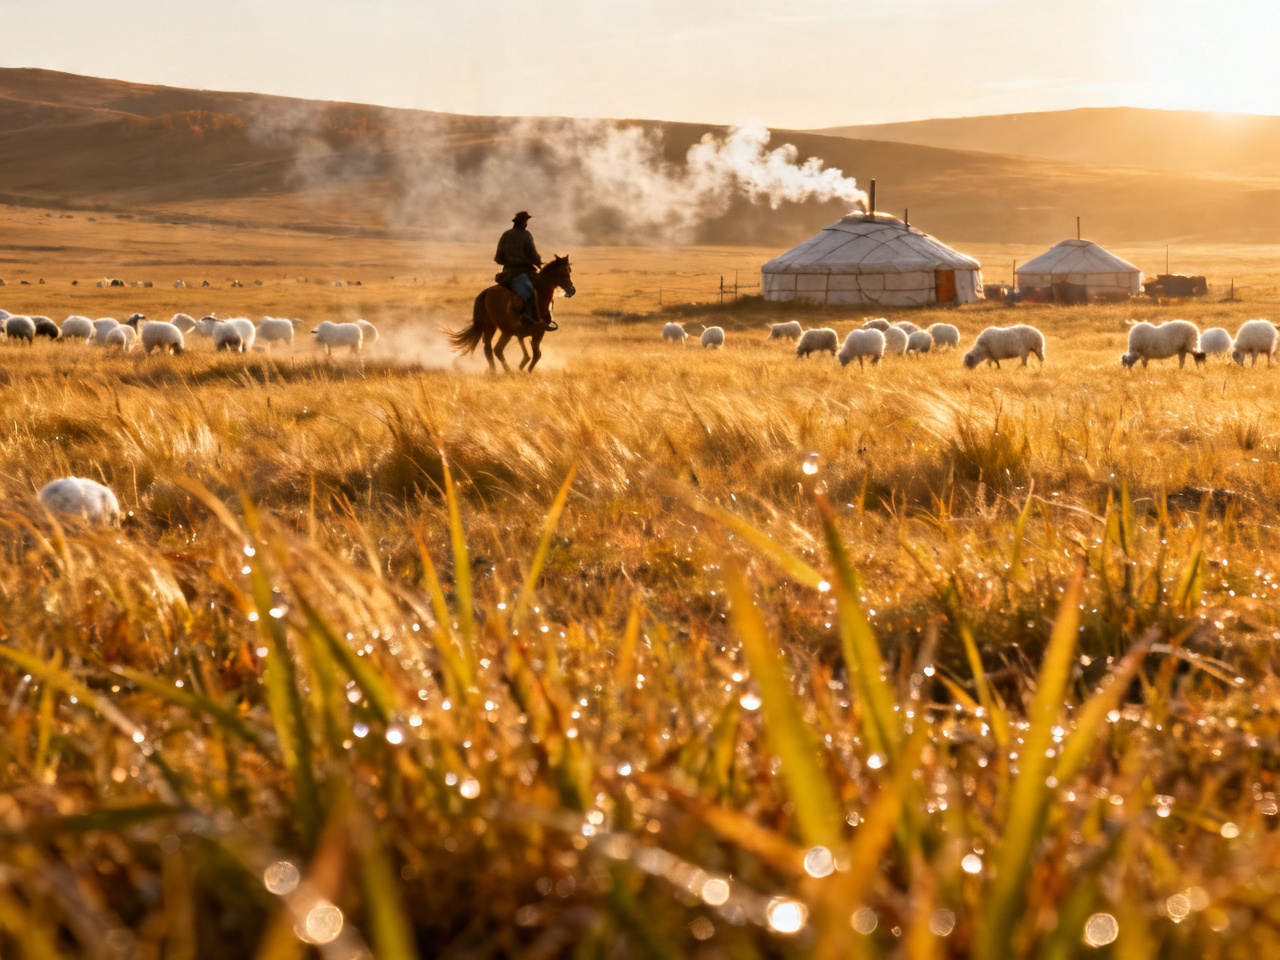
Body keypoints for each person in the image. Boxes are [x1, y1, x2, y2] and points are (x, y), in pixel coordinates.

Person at [494, 211, 546, 326]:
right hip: (523, 270)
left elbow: (499, 256)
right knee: (540, 290)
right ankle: (532, 316)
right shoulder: (526, 235)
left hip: (507, 270)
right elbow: (532, 252)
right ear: (522, 223)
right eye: (526, 221)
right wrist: (538, 263)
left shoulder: (506, 234)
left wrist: (507, 262)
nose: (526, 224)